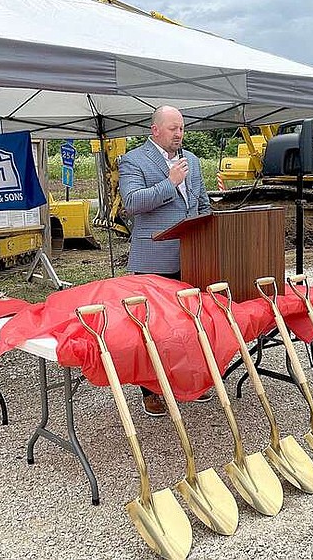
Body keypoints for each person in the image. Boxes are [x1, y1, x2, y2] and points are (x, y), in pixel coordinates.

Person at [118, 105, 212, 416]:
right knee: (154, 328)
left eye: (182, 128)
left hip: (192, 256)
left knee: (190, 322)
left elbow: (200, 203)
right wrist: (169, 182)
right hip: (153, 259)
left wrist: (210, 229)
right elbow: (131, 204)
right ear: (155, 130)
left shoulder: (193, 161)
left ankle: (192, 381)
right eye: (173, 128)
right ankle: (152, 390)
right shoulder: (134, 160)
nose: (179, 134)